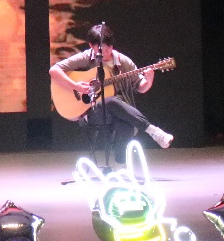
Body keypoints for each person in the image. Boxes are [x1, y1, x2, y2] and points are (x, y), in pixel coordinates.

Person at [49, 24, 172, 161]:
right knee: (110, 101)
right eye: (100, 47)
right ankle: (152, 130)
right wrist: (76, 86)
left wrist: (148, 81)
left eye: (109, 46)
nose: (105, 50)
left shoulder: (123, 62)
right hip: (93, 113)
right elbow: (54, 70)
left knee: (125, 125)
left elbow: (141, 87)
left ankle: (120, 165)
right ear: (91, 45)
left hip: (120, 113)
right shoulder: (86, 57)